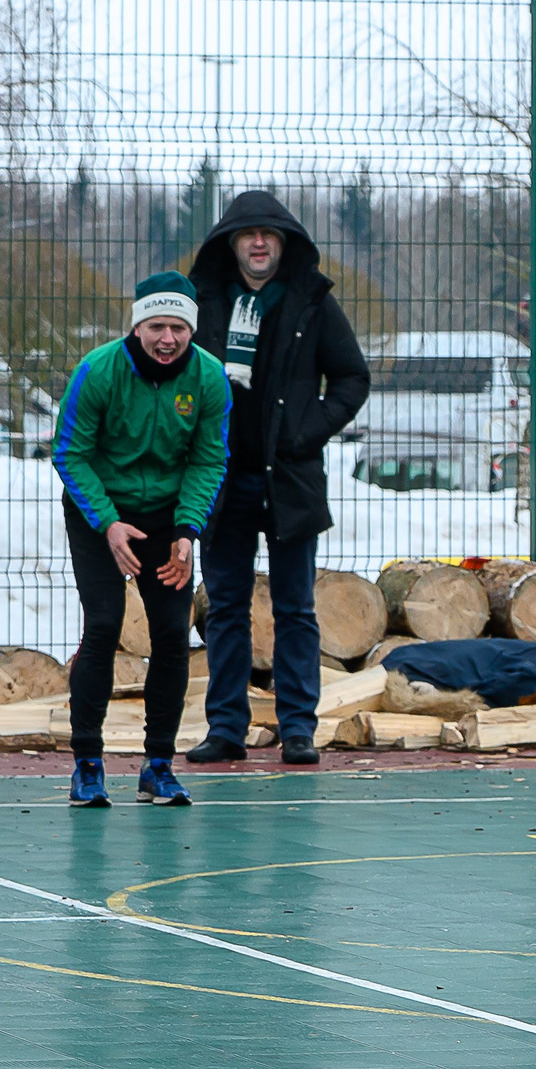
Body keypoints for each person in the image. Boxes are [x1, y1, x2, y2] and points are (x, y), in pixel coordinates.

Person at [185, 189, 369, 766]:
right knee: (225, 608)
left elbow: (352, 377)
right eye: (248, 234)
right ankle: (225, 728)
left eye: (269, 234)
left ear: (286, 243)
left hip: (290, 479)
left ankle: (298, 728)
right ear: (230, 244)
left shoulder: (312, 302)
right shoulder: (204, 303)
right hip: (221, 479)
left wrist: (305, 432)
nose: (259, 243)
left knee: (295, 608)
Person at [52, 272, 230, 807]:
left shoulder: (209, 377)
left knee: (172, 635)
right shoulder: (97, 371)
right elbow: (70, 453)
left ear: (191, 330)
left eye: (179, 327)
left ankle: (158, 766)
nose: (167, 338)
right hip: (100, 514)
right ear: (137, 326)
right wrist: (108, 523)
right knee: (104, 625)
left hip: (167, 519)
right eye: (156, 327)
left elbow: (208, 459)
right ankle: (88, 763)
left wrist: (187, 530)